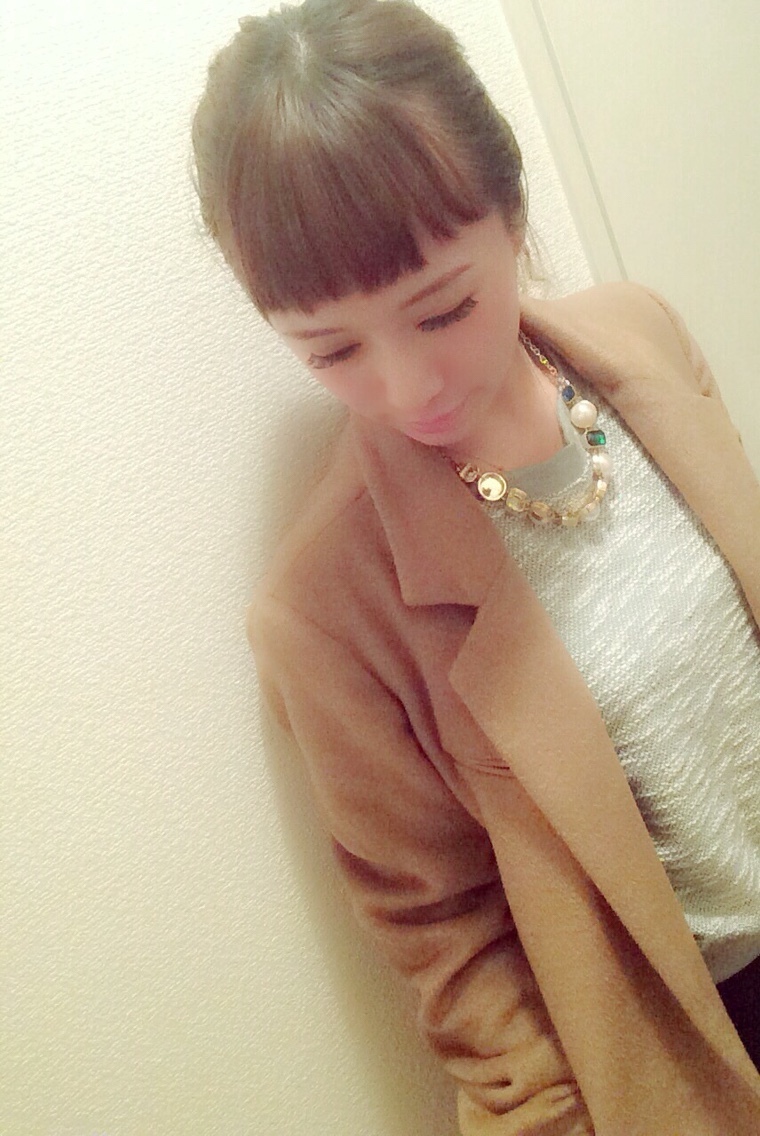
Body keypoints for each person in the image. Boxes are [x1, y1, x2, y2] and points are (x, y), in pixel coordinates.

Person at [191, 0, 760, 1130]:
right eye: (332, 350)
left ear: (513, 215)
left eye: (443, 308)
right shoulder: (323, 613)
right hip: (708, 1043)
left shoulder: (639, 335)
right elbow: (451, 944)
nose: (409, 388)